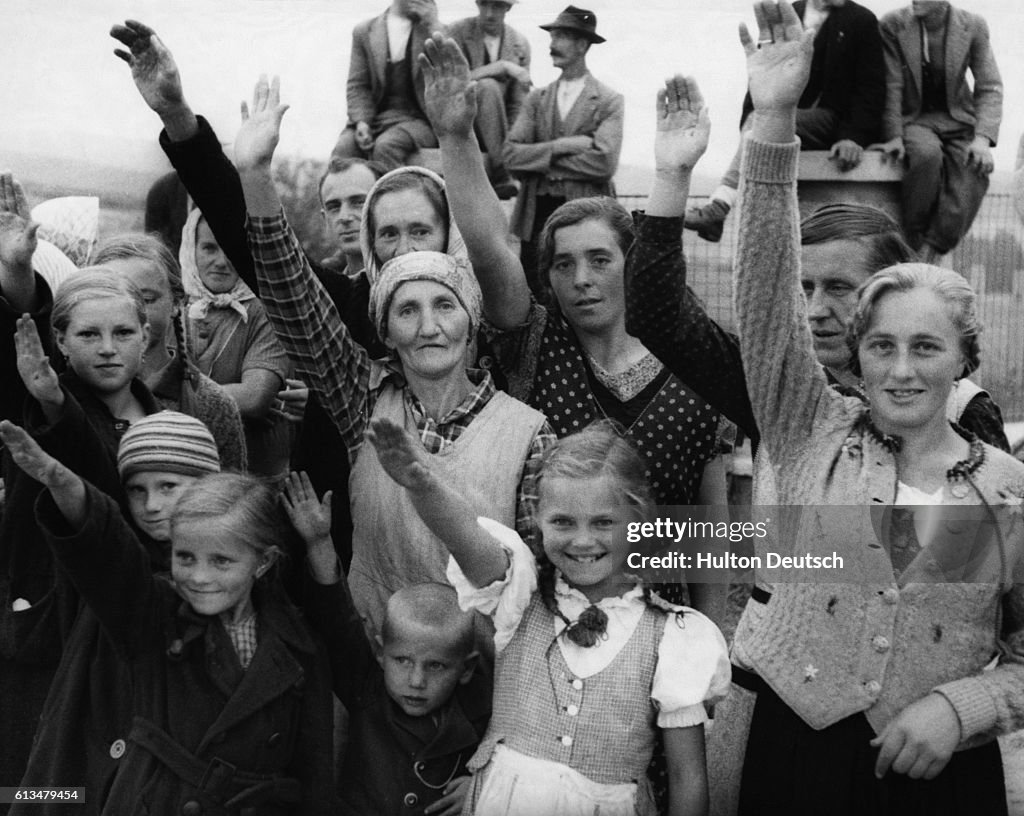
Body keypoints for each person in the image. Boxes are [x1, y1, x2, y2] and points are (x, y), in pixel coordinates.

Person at [710, 5, 1024, 813]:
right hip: (798, 764)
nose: (901, 369)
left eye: (926, 349)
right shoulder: (812, 426)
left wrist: (964, 708)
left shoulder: (1008, 489)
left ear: (963, 359)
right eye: (882, 345)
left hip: (939, 777)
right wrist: (775, 117)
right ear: (859, 349)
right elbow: (766, 289)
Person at [237, 76, 552, 648]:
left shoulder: (530, 430)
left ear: (472, 315)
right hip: (374, 664)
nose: (429, 326)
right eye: (406, 309)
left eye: (444, 305)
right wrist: (255, 174)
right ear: (383, 325)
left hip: (486, 676)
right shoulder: (363, 399)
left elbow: (541, 577)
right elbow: (292, 294)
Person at [420, 36, 730, 617]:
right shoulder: (535, 342)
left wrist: (710, 643)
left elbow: (708, 536)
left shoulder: (693, 370)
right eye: (563, 264)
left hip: (657, 635)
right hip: (537, 620)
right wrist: (457, 137)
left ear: (633, 265)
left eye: (600, 260)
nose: (581, 279)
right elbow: (489, 249)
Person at [366, 418, 731, 816]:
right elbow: (467, 539)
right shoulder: (519, 597)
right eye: (562, 522)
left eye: (603, 522)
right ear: (538, 520)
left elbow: (687, 777)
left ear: (638, 521)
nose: (582, 540)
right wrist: (423, 487)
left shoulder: (673, 636)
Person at [0, 425, 337, 815]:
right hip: (141, 794)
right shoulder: (154, 610)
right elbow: (107, 551)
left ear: (262, 563)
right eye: (185, 558)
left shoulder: (295, 643)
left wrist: (319, 543)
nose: (199, 577)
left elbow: (314, 771)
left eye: (221, 561)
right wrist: (63, 485)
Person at [625, 110, 1009, 451]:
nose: (815, 310)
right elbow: (657, 318)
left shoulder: (961, 408)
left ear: (889, 292)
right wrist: (672, 176)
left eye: (839, 287)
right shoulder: (775, 388)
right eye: (804, 288)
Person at [0, 254, 159, 796]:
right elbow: (93, 490)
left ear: (147, 335)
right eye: (88, 333)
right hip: (49, 618)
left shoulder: (169, 421)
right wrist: (50, 400)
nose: (108, 347)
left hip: (131, 628)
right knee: (36, 783)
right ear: (60, 341)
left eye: (122, 332)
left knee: (108, 784)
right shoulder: (37, 404)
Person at [12, 411, 223, 816]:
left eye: (169, 486)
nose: (152, 505)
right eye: (136, 490)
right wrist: (61, 483)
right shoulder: (118, 561)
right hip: (92, 751)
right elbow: (102, 536)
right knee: (43, 795)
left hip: (166, 775)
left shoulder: (231, 572)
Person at [285, 469, 489, 816]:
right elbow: (336, 623)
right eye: (402, 661)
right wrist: (319, 542)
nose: (416, 681)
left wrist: (483, 784)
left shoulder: (479, 715)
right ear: (381, 653)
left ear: (466, 668)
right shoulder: (367, 689)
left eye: (436, 665)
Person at [684, 0, 885, 243]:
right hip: (781, 113)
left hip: (829, 119)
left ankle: (718, 207)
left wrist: (853, 137)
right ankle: (718, 213)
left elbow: (871, 87)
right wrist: (750, 117)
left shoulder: (861, 19)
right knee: (763, 119)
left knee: (764, 121)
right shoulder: (792, 12)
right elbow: (763, 71)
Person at [92, 233, 248, 471]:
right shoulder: (71, 391)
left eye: (145, 299)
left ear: (177, 303)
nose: (127, 313)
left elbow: (228, 500)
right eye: (109, 298)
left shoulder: (210, 403)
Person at [504, 5, 623, 292]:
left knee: (580, 288)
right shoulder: (537, 99)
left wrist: (539, 159)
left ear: (582, 44)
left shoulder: (609, 100)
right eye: (552, 37)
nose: (551, 45)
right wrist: (561, 146)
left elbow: (604, 164)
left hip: (586, 213)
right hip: (537, 212)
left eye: (560, 37)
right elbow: (510, 155)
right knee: (534, 290)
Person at [874, 1, 1003, 261]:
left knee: (973, 171)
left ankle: (933, 250)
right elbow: (892, 83)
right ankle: (911, 241)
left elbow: (989, 85)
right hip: (915, 118)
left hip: (957, 120)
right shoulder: (893, 24)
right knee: (925, 156)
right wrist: (894, 136)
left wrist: (982, 139)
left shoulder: (973, 25)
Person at [178, 208, 293, 478]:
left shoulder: (267, 311)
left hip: (251, 473)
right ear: (191, 249)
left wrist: (172, 398)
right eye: (209, 248)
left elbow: (254, 398)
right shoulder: (177, 305)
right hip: (189, 466)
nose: (221, 261)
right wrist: (228, 398)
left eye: (231, 250)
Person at [331, 0, 445, 170]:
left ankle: (392, 195)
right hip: (377, 119)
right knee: (344, 148)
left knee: (387, 146)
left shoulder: (431, 30)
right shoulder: (364, 31)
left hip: (420, 121)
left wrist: (434, 26)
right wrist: (362, 121)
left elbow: (452, 70)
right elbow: (358, 84)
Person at [448, 0, 531, 199]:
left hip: (498, 134)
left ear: (508, 8)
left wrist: (513, 142)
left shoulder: (519, 43)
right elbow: (451, 84)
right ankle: (502, 172)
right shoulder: (455, 32)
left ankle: (505, 162)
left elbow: (517, 103)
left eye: (497, 6)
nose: (489, 13)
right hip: (460, 120)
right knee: (487, 87)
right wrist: (501, 66)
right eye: (484, 5)